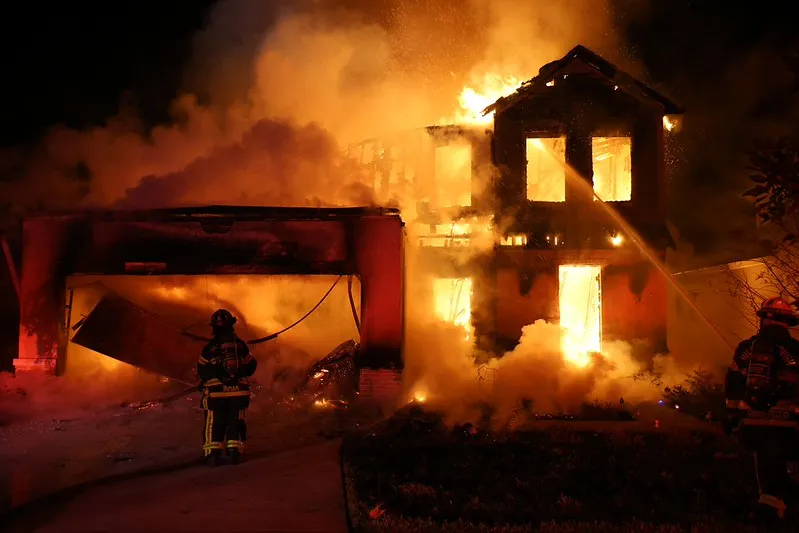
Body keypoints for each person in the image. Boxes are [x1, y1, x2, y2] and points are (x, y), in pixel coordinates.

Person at [724, 297, 799, 521]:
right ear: (787, 322)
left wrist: (732, 414)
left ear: (763, 319)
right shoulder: (795, 349)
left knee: (766, 467)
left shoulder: (746, 348)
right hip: (790, 424)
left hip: (755, 423)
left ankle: (771, 509)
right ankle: (784, 508)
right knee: (787, 466)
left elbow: (733, 382)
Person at [197, 309, 257, 466]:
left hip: (216, 393)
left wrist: (213, 376)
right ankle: (234, 452)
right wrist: (236, 375)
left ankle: (212, 453)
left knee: (214, 422)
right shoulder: (240, 345)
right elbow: (251, 366)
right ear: (232, 325)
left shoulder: (209, 348)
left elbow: (201, 369)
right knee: (235, 420)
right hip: (238, 392)